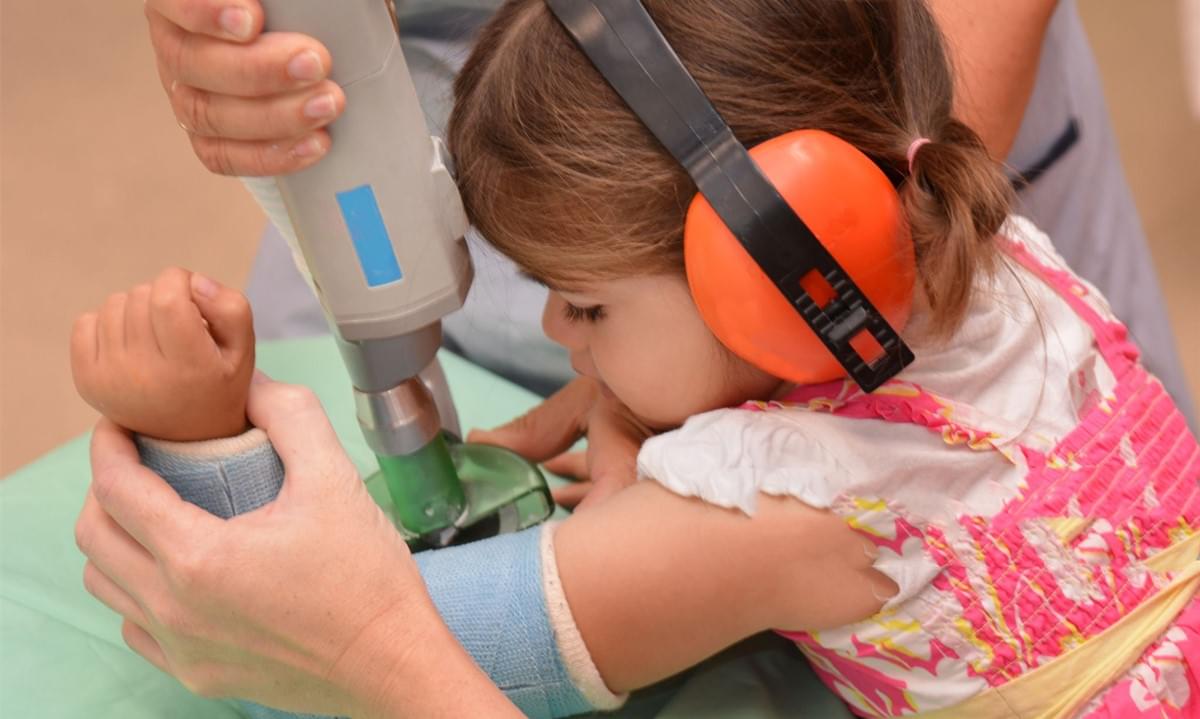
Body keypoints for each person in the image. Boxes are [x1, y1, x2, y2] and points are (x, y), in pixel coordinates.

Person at [79, 1, 1200, 717]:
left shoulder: (773, 499)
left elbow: (326, 642)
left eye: (583, 304)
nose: (559, 337)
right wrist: (646, 397)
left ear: (762, 279)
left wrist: (198, 430)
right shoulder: (987, 250)